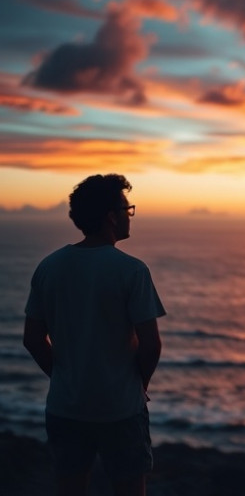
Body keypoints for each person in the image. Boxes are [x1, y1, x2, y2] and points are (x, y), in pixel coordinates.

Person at [23, 174, 165, 496]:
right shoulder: (132, 270)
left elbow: (32, 338)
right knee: (129, 488)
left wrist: (62, 375)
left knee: (70, 488)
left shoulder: (49, 266)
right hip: (121, 408)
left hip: (65, 405)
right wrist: (140, 383)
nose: (130, 216)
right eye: (127, 209)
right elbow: (151, 343)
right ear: (111, 217)